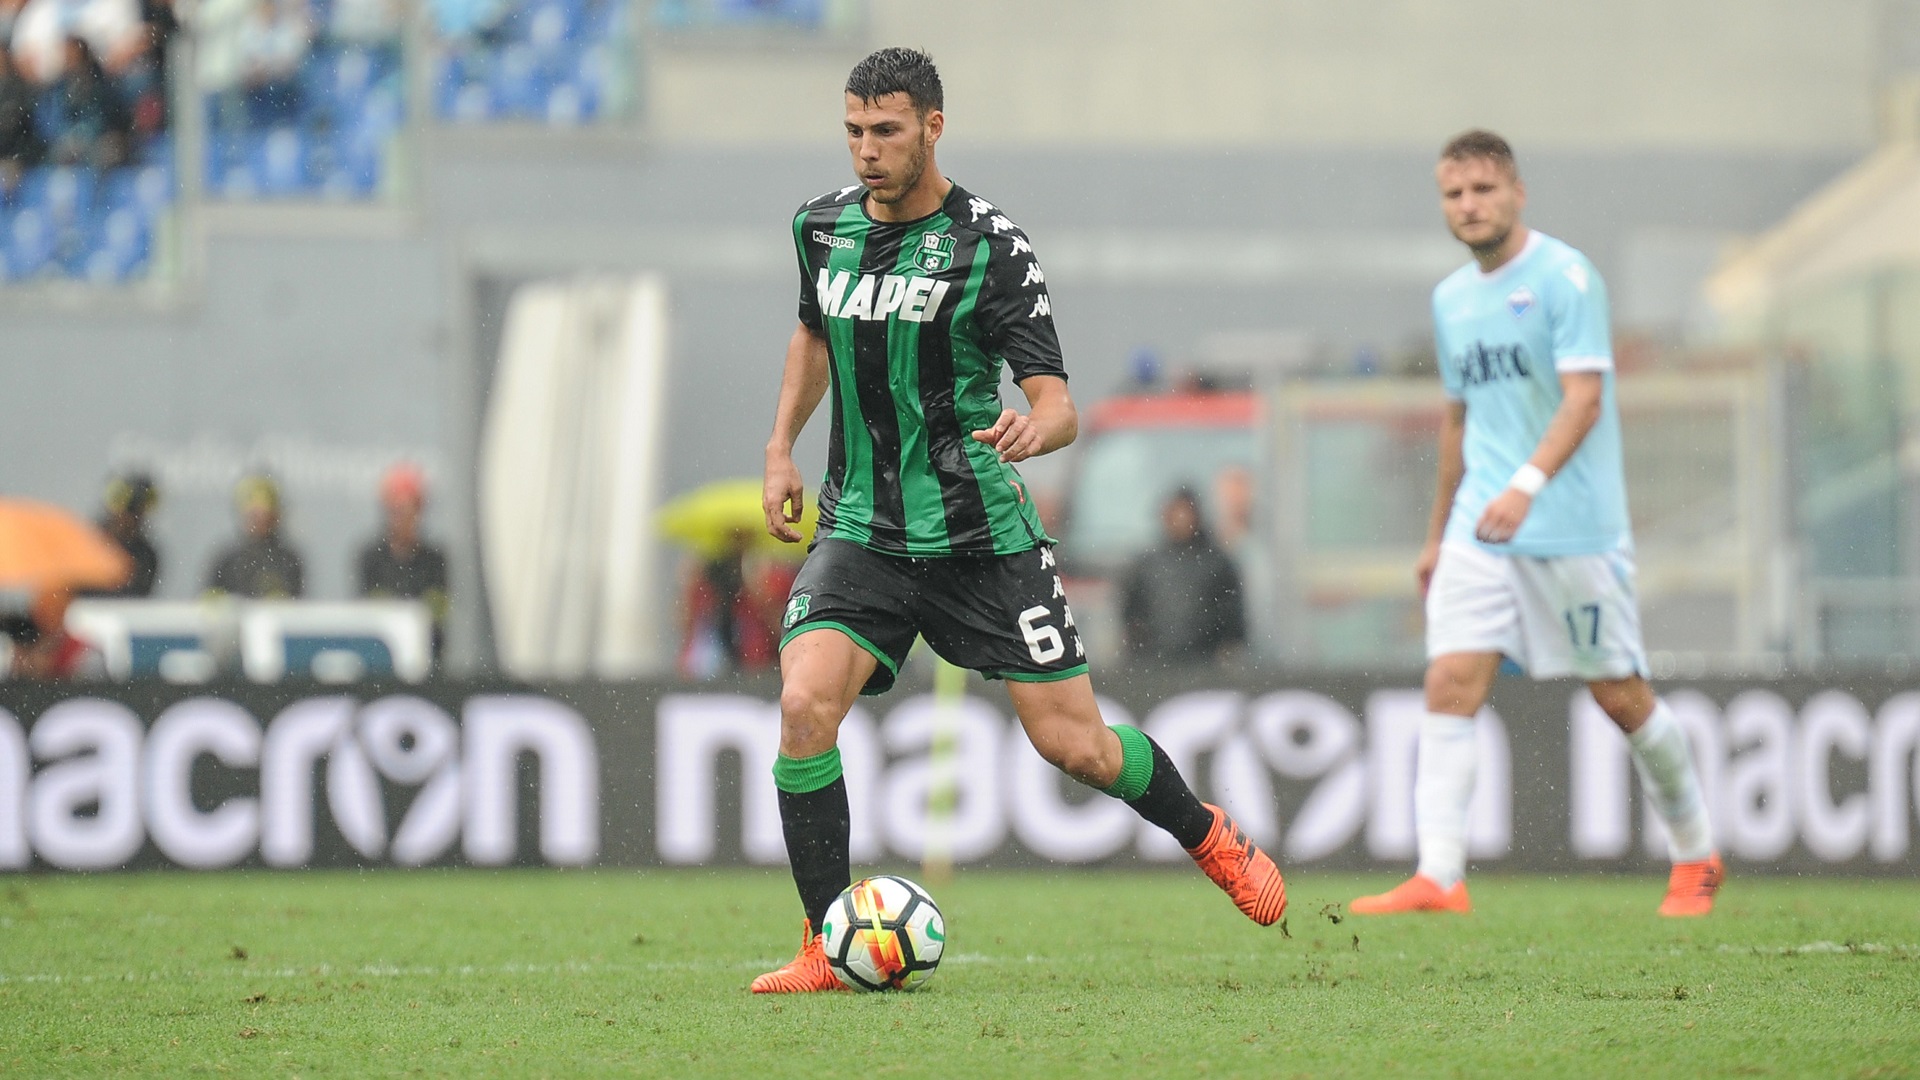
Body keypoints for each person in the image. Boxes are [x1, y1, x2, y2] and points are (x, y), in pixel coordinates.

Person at [750, 48, 1286, 995]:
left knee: (1076, 745)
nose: (867, 150)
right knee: (803, 706)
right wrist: (780, 447)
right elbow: (810, 332)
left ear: (933, 128)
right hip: (863, 529)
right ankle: (825, 944)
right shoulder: (820, 227)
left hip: (980, 539)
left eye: (887, 131)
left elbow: (1058, 404)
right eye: (855, 131)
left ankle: (1207, 834)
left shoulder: (991, 246)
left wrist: (1038, 430)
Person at [1351, 131, 1721, 918]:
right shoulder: (1451, 300)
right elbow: (1460, 421)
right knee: (1450, 681)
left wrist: (1525, 487)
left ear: (1518, 193)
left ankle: (1696, 853)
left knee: (1619, 695)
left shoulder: (1566, 277)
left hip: (1570, 527)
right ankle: (1439, 874)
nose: (1469, 206)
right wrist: (1436, 536)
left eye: (1483, 190)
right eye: (1454, 194)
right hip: (1480, 526)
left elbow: (1585, 398)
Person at [1118, 487, 1245, 666]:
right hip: (1155, 663)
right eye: (1176, 514)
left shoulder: (1217, 563)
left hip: (1205, 662)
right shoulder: (1147, 565)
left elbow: (1231, 614)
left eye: (1186, 513)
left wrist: (1227, 648)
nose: (1181, 520)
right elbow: (1131, 613)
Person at [357, 463, 449, 660]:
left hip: (428, 660)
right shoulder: (372, 559)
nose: (401, 519)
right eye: (395, 510)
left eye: (408, 510)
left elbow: (438, 622)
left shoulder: (434, 562)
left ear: (419, 511)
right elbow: (367, 620)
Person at [205, 472, 305, 598]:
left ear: (276, 516)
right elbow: (210, 596)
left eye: (265, 515)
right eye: (254, 516)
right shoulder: (227, 560)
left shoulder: (288, 560)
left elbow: (294, 596)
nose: (259, 521)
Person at [42, 36, 131, 168]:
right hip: (68, 143)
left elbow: (101, 117)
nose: (68, 59)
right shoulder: (60, 87)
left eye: (72, 55)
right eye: (66, 55)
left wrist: (81, 137)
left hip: (98, 141)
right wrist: (67, 138)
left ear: (83, 56)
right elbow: (53, 119)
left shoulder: (99, 83)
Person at [93, 472, 160, 597]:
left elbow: (134, 600)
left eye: (138, 512)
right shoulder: (86, 545)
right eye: (129, 510)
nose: (133, 519)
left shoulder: (146, 556)